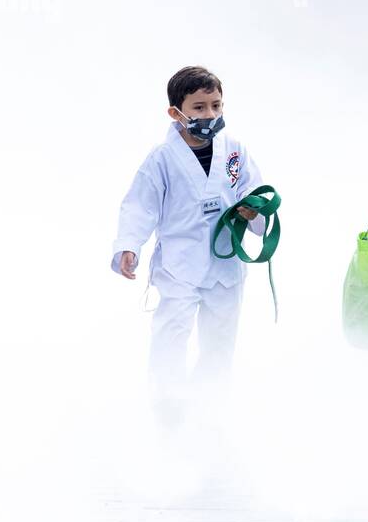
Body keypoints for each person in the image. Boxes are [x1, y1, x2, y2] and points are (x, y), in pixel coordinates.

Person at [111, 65, 267, 429]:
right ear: (175, 113)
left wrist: (253, 211)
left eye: (216, 105)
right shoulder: (162, 159)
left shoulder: (236, 152)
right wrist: (129, 245)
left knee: (220, 340)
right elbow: (140, 205)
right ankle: (167, 407)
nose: (209, 115)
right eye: (199, 108)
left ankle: (209, 411)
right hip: (179, 267)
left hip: (225, 264)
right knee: (171, 334)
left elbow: (254, 192)